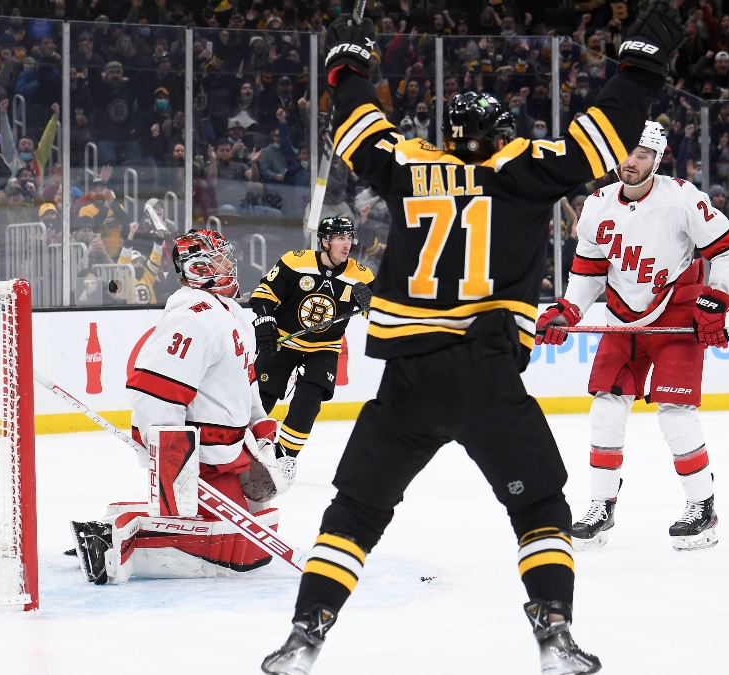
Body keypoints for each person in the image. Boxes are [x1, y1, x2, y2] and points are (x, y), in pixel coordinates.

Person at [261, 4, 686, 674]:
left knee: (356, 511)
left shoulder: (408, 164)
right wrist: (640, 66)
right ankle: (554, 631)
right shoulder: (523, 166)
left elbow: (356, 129)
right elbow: (603, 138)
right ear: (501, 131)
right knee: (541, 507)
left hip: (408, 377)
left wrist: (349, 67)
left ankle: (305, 631)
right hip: (487, 372)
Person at [538, 122, 729, 553]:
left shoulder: (682, 197)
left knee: (675, 411)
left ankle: (701, 507)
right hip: (621, 318)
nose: (633, 162)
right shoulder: (596, 205)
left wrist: (720, 297)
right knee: (605, 407)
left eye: (644, 155)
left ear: (659, 159)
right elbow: (590, 271)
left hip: (676, 312)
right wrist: (570, 307)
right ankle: (600, 506)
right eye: (628, 153)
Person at [69, 231, 293, 584]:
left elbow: (245, 380)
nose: (229, 264)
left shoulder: (230, 312)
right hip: (202, 458)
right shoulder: (193, 318)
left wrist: (258, 426)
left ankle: (131, 530)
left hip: (227, 454)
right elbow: (153, 393)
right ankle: (111, 539)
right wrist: (174, 460)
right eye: (220, 258)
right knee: (225, 548)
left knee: (248, 538)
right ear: (200, 267)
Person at [250, 216, 374, 461]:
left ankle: (284, 458)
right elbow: (264, 294)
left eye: (349, 238)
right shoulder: (296, 262)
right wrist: (265, 320)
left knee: (308, 402)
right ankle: (241, 447)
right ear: (325, 241)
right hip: (284, 341)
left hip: (324, 349)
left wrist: (373, 302)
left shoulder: (361, 275)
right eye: (340, 238)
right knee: (263, 394)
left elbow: (382, 313)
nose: (346, 244)